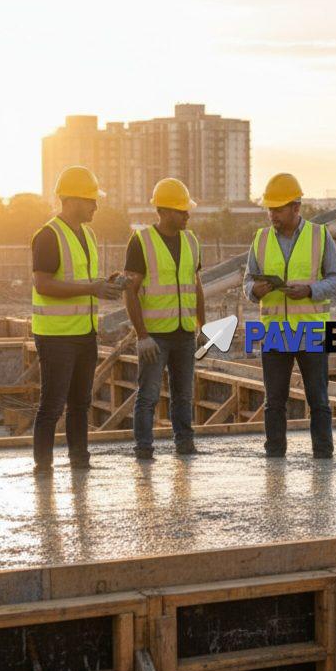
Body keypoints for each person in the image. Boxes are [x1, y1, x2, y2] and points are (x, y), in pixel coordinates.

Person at [244, 172, 336, 459]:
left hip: (311, 330)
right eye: (270, 209)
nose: (272, 214)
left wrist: (310, 291)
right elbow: (246, 283)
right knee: (274, 401)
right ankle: (274, 457)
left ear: (295, 207)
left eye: (277, 209)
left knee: (319, 400)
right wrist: (256, 290)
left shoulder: (319, 235)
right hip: (274, 332)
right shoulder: (261, 239)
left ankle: (323, 456)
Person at [30, 165, 123, 476]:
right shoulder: (47, 236)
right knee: (52, 405)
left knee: (81, 403)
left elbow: (82, 280)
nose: (96, 206)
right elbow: (43, 284)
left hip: (84, 332)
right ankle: (43, 468)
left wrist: (104, 283)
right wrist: (91, 287)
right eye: (90, 200)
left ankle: (79, 462)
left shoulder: (88, 235)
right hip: (56, 336)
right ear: (70, 201)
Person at [123, 177, 205, 460]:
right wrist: (141, 335)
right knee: (148, 396)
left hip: (184, 333)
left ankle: (185, 444)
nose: (187, 215)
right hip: (155, 336)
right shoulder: (141, 242)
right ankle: (144, 449)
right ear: (166, 211)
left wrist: (201, 326)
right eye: (183, 210)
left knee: (184, 395)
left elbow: (196, 286)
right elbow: (130, 292)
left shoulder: (191, 241)